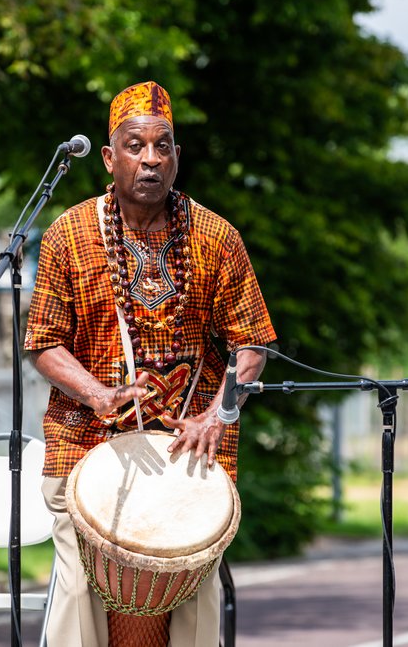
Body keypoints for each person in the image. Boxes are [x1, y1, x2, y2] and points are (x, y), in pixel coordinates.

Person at [24, 80, 276, 647]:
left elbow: (252, 344)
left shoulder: (216, 237)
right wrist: (97, 393)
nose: (150, 159)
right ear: (109, 158)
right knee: (76, 595)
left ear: (177, 158)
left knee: (197, 603)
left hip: (190, 450)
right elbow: (42, 341)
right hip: (84, 441)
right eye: (135, 147)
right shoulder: (69, 233)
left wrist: (219, 415)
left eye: (163, 147)